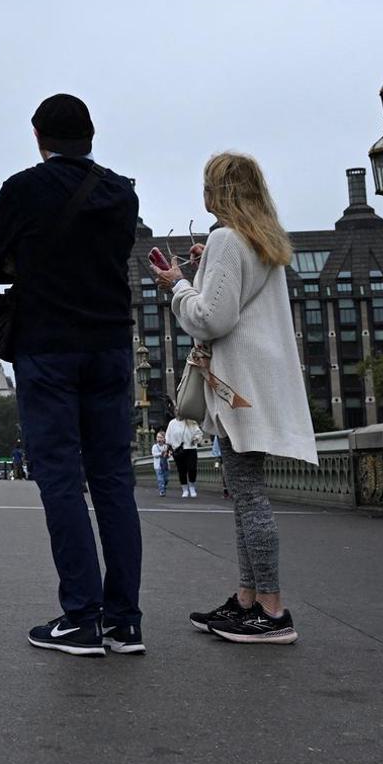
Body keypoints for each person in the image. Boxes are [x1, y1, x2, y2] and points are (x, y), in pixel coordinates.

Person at [0, 93, 144, 656]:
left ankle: (81, 616)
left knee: (60, 482)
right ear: (91, 136)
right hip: (110, 347)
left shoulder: (22, 188)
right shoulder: (122, 191)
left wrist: (31, 259)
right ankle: (125, 621)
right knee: (114, 481)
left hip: (49, 350)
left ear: (38, 137)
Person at [153, 152, 316, 645]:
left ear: (215, 193)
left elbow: (211, 319)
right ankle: (247, 598)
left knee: (249, 497)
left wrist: (178, 285)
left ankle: (271, 609)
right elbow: (237, 300)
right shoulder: (263, 242)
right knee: (247, 493)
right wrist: (207, 270)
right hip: (262, 381)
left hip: (237, 385)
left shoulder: (228, 238)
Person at [165, 414, 200, 498]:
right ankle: (184, 489)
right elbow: (168, 437)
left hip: (191, 448)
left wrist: (196, 439)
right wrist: (169, 449)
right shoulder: (172, 423)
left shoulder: (191, 421)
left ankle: (192, 487)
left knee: (192, 468)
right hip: (178, 449)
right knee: (181, 470)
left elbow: (198, 433)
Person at [150, 430, 170, 497]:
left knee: (166, 479)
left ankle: (163, 487)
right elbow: (154, 454)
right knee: (160, 479)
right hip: (158, 466)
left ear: (164, 439)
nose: (159, 439)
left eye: (161, 437)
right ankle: (162, 491)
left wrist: (168, 454)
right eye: (158, 437)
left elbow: (168, 455)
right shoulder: (155, 446)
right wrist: (161, 453)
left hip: (165, 465)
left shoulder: (166, 446)